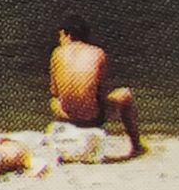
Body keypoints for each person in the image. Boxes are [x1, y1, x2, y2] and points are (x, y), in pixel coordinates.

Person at [49, 13, 145, 159]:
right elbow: (102, 91)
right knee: (125, 94)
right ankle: (137, 147)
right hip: (92, 118)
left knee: (53, 101)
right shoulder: (98, 53)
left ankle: (71, 129)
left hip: (67, 117)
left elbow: (55, 92)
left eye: (60, 36)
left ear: (66, 34)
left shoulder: (57, 53)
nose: (60, 39)